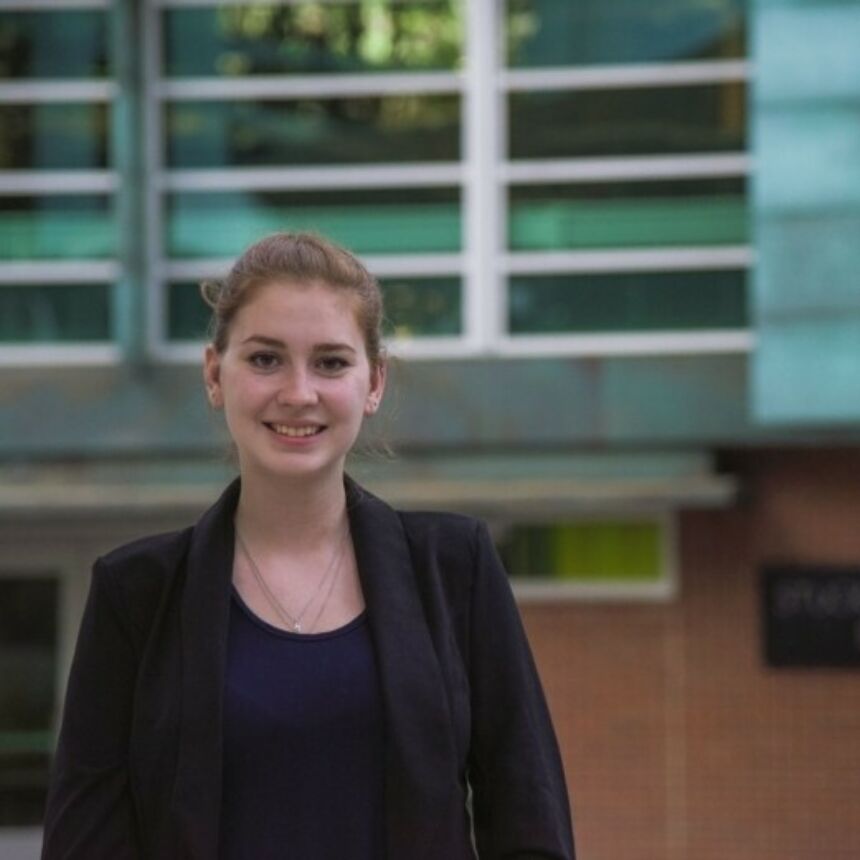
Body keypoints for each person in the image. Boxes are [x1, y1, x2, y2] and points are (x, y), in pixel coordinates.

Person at [41, 232, 575, 860]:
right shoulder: (135, 593)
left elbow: (529, 821)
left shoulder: (456, 570)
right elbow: (86, 844)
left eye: (330, 362)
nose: (299, 393)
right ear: (215, 374)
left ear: (373, 382)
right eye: (266, 359)